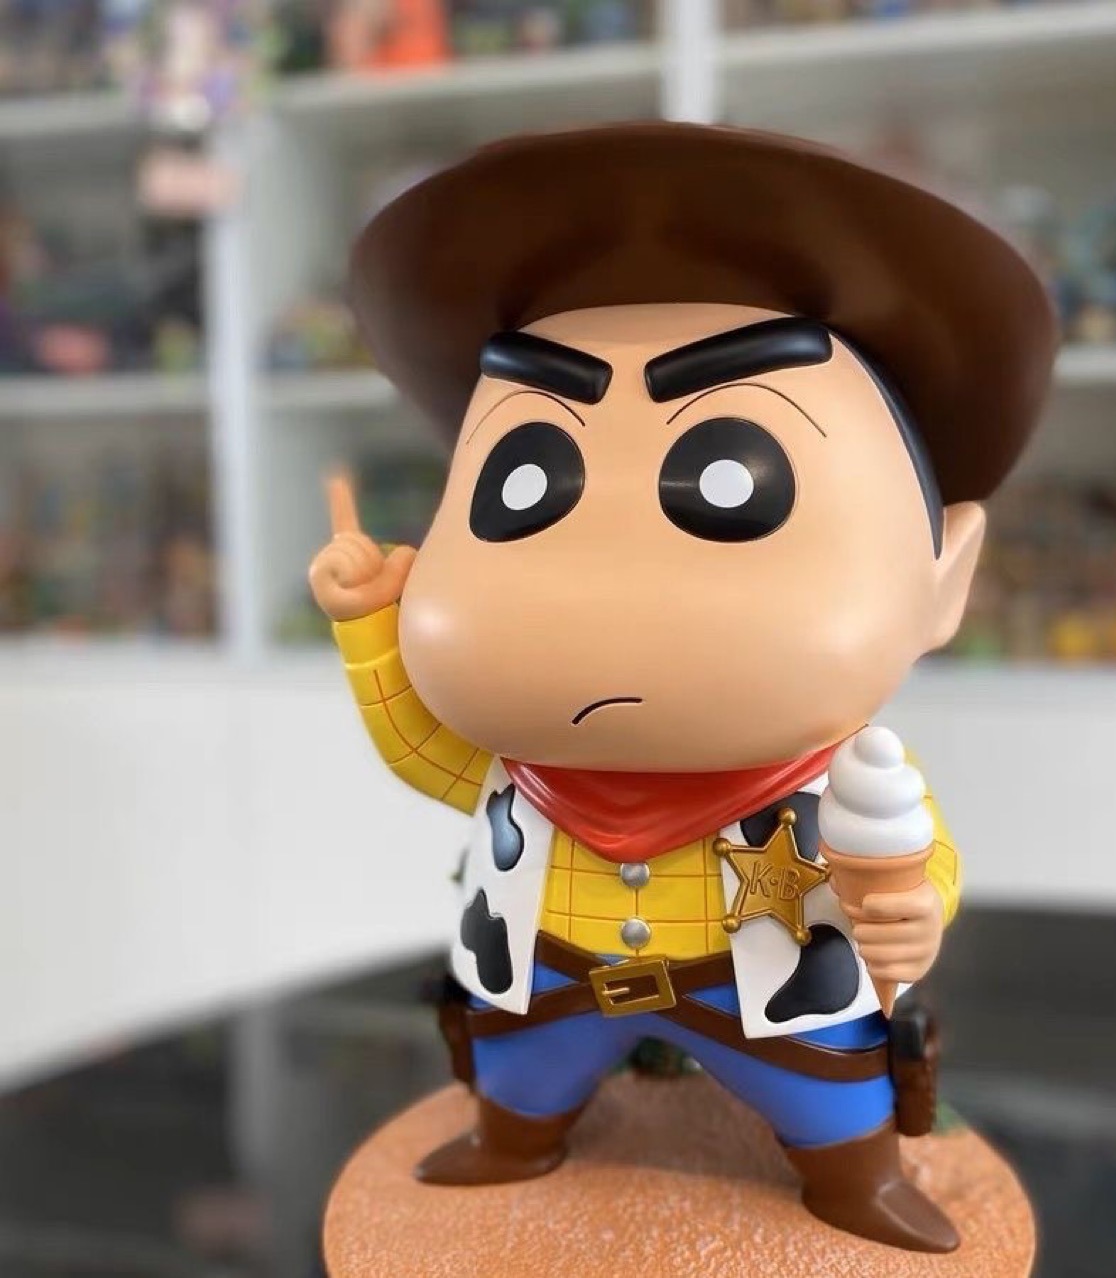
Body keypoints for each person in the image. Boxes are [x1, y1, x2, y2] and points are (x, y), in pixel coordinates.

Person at [309, 122, 1055, 1254]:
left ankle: (856, 1178)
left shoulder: (847, 777)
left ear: (942, 578)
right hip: (551, 978)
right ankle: (514, 1140)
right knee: (518, 1081)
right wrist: (371, 625)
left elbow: (910, 855)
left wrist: (914, 907)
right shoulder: (524, 773)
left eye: (728, 482)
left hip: (766, 987)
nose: (602, 581)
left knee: (834, 1100)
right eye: (525, 479)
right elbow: (425, 752)